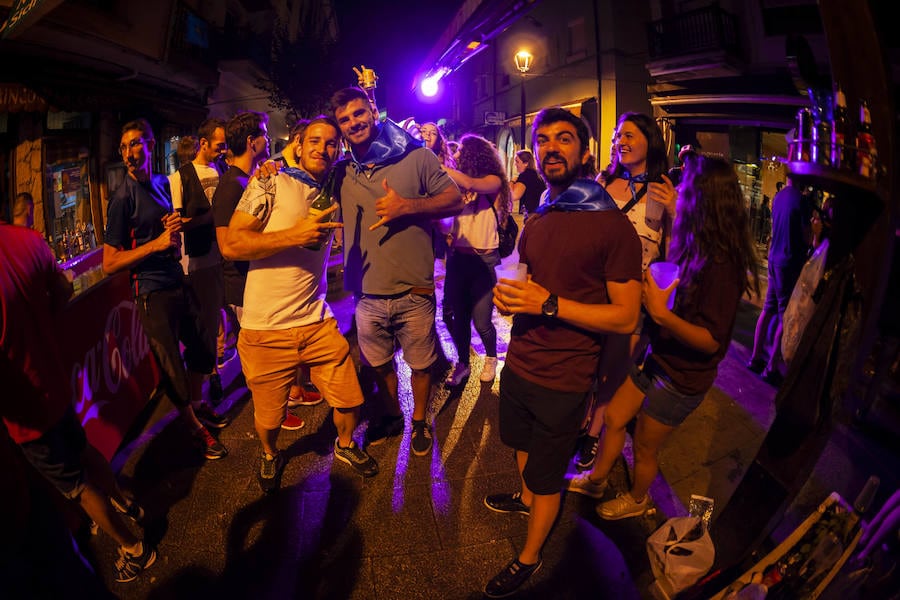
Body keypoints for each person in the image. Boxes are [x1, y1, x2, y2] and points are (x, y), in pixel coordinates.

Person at [483, 107, 642, 597]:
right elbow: (526, 283)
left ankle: (529, 558)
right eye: (544, 139)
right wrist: (509, 299)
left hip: (566, 376)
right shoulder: (540, 217)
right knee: (522, 447)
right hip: (521, 363)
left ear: (587, 151)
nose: (552, 147)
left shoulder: (613, 228)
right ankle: (527, 495)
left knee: (550, 474)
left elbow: (626, 317)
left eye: (565, 139)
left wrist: (548, 304)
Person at [570, 155, 759, 521]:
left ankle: (639, 499)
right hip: (657, 357)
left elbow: (711, 342)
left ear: (705, 198)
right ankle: (596, 480)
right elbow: (671, 268)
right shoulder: (696, 240)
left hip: (681, 378)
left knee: (643, 446)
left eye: (685, 187)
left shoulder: (723, 266)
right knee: (614, 418)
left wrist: (661, 315)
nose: (679, 191)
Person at [226, 115, 378, 492]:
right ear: (297, 143)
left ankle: (344, 444)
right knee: (270, 417)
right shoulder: (269, 180)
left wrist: (369, 94)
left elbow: (375, 140)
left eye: (331, 143)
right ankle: (269, 452)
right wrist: (294, 235)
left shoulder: (335, 180)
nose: (323, 149)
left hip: (315, 319)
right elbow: (232, 244)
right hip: (265, 326)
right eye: (315, 141)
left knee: (349, 397)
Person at [2, 222, 156, 583]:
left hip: (26, 413)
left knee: (77, 487)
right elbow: (63, 288)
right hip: (55, 381)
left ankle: (135, 549)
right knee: (83, 449)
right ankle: (126, 502)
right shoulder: (26, 239)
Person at [330, 86, 463, 456]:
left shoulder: (416, 157)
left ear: (372, 113)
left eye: (359, 114)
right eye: (345, 119)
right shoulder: (342, 172)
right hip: (367, 294)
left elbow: (454, 198)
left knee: (421, 367)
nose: (354, 123)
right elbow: (303, 172)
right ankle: (393, 415)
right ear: (340, 128)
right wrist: (273, 165)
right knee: (378, 365)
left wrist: (407, 206)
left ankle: (419, 420)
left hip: (414, 290)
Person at [103, 118, 229, 460]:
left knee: (204, 348)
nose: (131, 152)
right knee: (171, 364)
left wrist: (173, 233)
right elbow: (109, 261)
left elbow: (167, 235)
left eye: (136, 144)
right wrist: (155, 245)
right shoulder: (121, 198)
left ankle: (198, 405)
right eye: (125, 146)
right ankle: (193, 428)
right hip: (150, 290)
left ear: (150, 145)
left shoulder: (161, 183)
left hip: (177, 277)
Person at [572, 112, 677, 471]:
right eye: (617, 135)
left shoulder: (664, 190)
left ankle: (592, 433)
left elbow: (676, 251)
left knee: (613, 372)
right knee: (587, 364)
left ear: (650, 140)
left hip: (634, 297)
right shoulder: (603, 181)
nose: (620, 141)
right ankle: (581, 421)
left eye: (629, 135)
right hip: (593, 290)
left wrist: (677, 212)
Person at [214, 110, 305, 431]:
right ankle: (271, 416)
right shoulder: (230, 187)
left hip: (254, 281)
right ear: (252, 143)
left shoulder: (246, 179)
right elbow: (228, 245)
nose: (269, 140)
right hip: (241, 285)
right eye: (264, 134)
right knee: (261, 359)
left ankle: (286, 399)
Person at [441, 134, 511, 386]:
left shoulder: (493, 182)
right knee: (454, 315)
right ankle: (463, 363)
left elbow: (471, 182)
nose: (456, 155)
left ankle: (491, 357)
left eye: (460, 151)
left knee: (481, 321)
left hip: (485, 261)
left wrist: (440, 166)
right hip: (460, 259)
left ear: (474, 154)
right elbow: (447, 222)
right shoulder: (460, 189)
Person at [169, 118, 228, 405]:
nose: (222, 150)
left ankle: (215, 364)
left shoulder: (222, 168)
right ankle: (210, 375)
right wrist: (210, 216)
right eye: (219, 145)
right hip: (199, 260)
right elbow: (178, 223)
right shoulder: (180, 177)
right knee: (205, 320)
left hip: (225, 254)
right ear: (203, 143)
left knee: (218, 315)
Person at [747, 177, 810, 386]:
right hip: (788, 262)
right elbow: (806, 236)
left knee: (768, 309)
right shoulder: (801, 201)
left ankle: (755, 358)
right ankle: (771, 367)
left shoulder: (779, 196)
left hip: (774, 258)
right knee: (784, 315)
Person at [510, 149, 545, 216]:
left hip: (534, 215)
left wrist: (512, 181)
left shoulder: (526, 175)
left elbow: (514, 195)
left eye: (517, 162)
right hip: (540, 213)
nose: (515, 164)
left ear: (526, 163)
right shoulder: (535, 175)